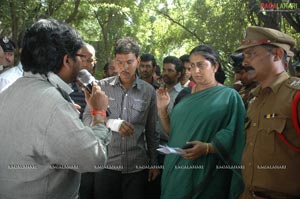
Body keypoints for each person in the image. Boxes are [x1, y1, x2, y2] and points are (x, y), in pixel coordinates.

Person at [0, 19, 111, 199]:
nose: (82, 65)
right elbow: (93, 159)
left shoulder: (7, 93)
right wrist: (98, 114)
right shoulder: (52, 105)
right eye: (79, 58)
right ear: (67, 60)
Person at [157, 44, 246, 199]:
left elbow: (236, 133)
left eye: (201, 65)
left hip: (206, 171)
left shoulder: (229, 97)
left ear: (215, 66)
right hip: (175, 169)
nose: (195, 71)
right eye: (192, 66)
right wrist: (162, 110)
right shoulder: (185, 95)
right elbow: (174, 133)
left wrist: (208, 148)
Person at [83, 37, 160, 199]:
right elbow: (87, 121)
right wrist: (112, 123)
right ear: (114, 61)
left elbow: (152, 131)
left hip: (136, 168)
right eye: (119, 62)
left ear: (138, 61)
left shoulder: (148, 91)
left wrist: (154, 162)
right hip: (106, 165)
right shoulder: (100, 87)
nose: (124, 67)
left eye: (129, 62)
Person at [237, 26, 300, 199]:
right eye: (244, 56)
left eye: (251, 54)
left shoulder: (296, 96)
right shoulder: (254, 99)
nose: (244, 62)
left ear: (278, 54)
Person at [70, 42, 97, 120]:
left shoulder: (99, 87)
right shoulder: (63, 85)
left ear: (94, 63)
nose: (85, 64)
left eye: (89, 61)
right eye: (82, 60)